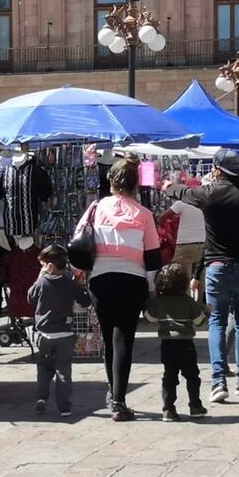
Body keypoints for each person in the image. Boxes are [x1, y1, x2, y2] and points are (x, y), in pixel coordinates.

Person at [163, 149, 239, 404]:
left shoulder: (209, 194)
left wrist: (167, 186)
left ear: (217, 169)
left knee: (217, 321)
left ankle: (218, 381)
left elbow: (183, 192)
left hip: (216, 265)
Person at [75, 154, 161, 421]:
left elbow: (77, 244)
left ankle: (114, 395)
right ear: (137, 184)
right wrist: (150, 288)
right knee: (124, 337)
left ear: (111, 180)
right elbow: (154, 258)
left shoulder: (95, 209)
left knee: (109, 337)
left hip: (101, 279)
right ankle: (119, 400)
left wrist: (80, 275)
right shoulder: (145, 215)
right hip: (133, 280)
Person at [27, 245, 91, 417]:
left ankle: (41, 397)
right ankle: (65, 407)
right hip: (65, 334)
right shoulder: (69, 284)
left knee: (43, 367)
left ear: (50, 266)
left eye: (42, 265)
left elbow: (30, 298)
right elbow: (85, 301)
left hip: (45, 334)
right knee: (63, 371)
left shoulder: (42, 282)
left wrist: (40, 276)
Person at [145, 263, 209, 422]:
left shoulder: (158, 301)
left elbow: (150, 318)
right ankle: (195, 406)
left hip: (167, 345)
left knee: (169, 377)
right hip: (186, 344)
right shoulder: (187, 301)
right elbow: (200, 321)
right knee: (192, 376)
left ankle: (168, 409)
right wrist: (206, 312)